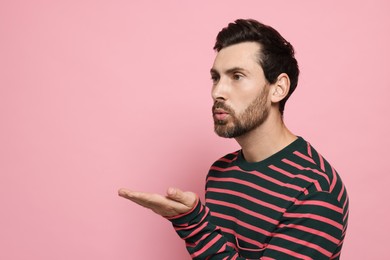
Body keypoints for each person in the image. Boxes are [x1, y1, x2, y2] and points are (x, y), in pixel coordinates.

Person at [118, 19, 349, 259]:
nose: (217, 91)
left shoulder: (315, 190)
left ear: (278, 88)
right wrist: (192, 218)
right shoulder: (220, 172)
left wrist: (193, 223)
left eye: (237, 76)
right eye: (216, 78)